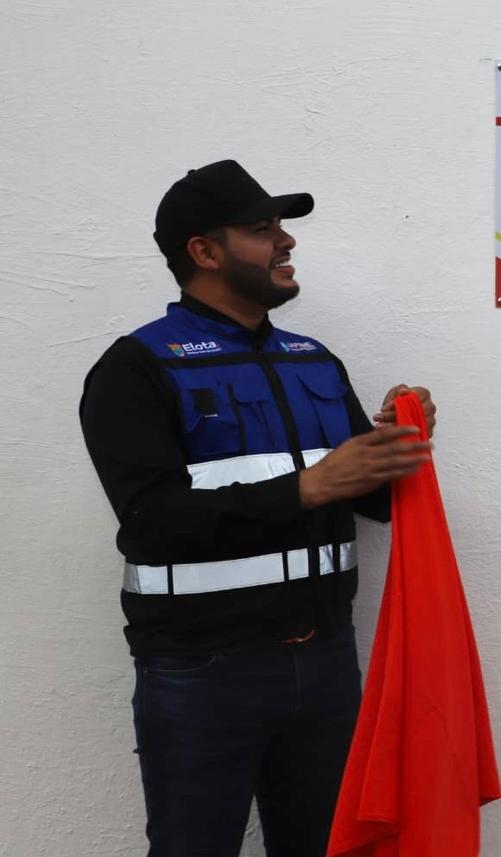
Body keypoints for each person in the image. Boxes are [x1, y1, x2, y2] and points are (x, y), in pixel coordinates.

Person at [79, 159, 436, 857]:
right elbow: (152, 521)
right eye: (262, 228)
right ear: (205, 252)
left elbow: (373, 503)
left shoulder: (315, 360)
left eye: (282, 227)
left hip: (326, 661)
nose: (286, 241)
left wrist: (396, 443)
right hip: (201, 670)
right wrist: (308, 487)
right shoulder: (134, 367)